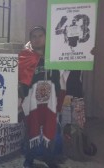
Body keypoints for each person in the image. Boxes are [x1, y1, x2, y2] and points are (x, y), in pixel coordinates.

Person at [18, 26, 61, 168]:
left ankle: (49, 158)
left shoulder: (55, 56)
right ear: (30, 39)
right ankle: (29, 158)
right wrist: (21, 97)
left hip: (51, 99)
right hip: (32, 100)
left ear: (46, 37)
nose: (37, 39)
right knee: (30, 130)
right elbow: (20, 78)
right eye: (34, 36)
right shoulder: (25, 57)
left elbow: (72, 64)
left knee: (51, 129)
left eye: (40, 35)